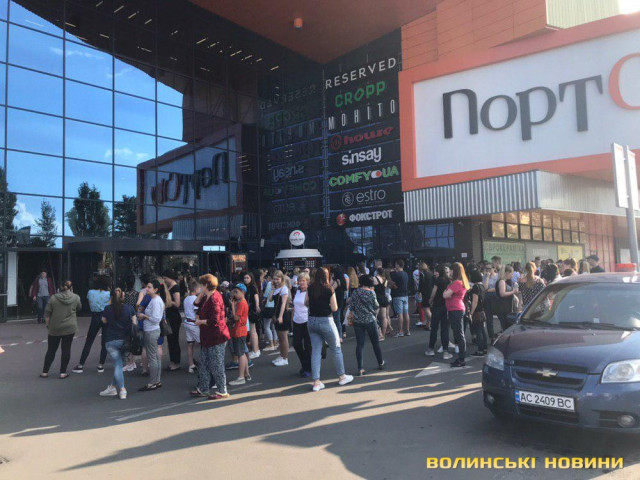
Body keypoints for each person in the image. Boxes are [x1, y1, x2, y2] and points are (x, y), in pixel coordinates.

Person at [306, 268, 353, 392]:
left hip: (312, 321)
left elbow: (306, 302)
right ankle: (342, 376)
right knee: (336, 348)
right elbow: (334, 308)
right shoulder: (329, 289)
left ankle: (316, 382)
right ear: (326, 276)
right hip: (326, 321)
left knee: (316, 351)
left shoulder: (310, 288)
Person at [191, 274, 230, 400]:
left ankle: (222, 391)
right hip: (208, 337)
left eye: (202, 285)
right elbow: (196, 303)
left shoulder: (215, 299)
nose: (200, 287)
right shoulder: (208, 296)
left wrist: (200, 321)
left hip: (216, 336)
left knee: (216, 364)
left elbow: (215, 321)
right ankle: (204, 389)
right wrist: (202, 293)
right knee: (204, 364)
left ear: (206, 285)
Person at [99, 289, 136, 399]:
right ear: (123, 297)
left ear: (111, 297)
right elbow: (134, 323)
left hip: (111, 340)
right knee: (119, 365)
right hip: (125, 341)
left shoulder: (107, 309)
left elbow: (104, 320)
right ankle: (113, 387)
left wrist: (110, 303)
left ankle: (122, 389)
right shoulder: (129, 308)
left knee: (118, 365)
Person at [41, 280, 80, 379]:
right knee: (66, 349)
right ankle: (63, 372)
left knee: (51, 350)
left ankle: (45, 372)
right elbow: (79, 308)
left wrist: (48, 325)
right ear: (71, 288)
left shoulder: (53, 298)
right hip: (70, 327)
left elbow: (47, 314)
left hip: (55, 327)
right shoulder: (76, 297)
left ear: (60, 288)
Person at [72, 276, 111, 374]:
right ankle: (100, 365)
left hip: (95, 316)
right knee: (104, 342)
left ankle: (81, 364)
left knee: (89, 341)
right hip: (106, 317)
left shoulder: (90, 292)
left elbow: (89, 302)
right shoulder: (108, 294)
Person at [348, 275, 385, 376]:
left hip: (358, 321)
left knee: (360, 345)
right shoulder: (371, 293)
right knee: (375, 343)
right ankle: (380, 362)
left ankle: (360, 368)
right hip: (370, 320)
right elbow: (376, 306)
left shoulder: (355, 292)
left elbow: (351, 306)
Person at [137, 280, 165, 391]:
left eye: (149, 287)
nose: (147, 289)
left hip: (151, 331)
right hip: (152, 330)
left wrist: (144, 316)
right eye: (147, 286)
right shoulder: (155, 300)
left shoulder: (155, 301)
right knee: (155, 356)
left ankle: (153, 382)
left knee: (152, 357)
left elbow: (156, 319)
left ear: (156, 289)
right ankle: (156, 381)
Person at [443, 263, 469, 367]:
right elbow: (446, 294)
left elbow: (445, 294)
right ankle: (461, 358)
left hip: (456, 309)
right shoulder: (459, 282)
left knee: (459, 334)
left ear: (454, 271)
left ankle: (461, 359)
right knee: (459, 334)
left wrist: (446, 292)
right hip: (456, 309)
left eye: (451, 270)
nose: (450, 272)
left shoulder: (457, 283)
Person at [426, 265, 451, 359]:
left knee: (434, 328)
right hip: (446, 306)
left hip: (437, 306)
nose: (435, 273)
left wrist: (430, 301)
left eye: (436, 271)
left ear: (439, 272)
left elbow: (433, 293)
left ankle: (431, 349)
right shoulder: (448, 280)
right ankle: (446, 352)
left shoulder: (437, 281)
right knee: (445, 329)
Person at [229, 283, 251, 385]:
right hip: (241, 330)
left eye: (236, 292)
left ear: (242, 292)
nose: (235, 294)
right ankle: (246, 374)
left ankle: (241, 377)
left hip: (239, 331)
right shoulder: (242, 302)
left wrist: (233, 306)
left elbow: (236, 318)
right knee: (242, 353)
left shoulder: (241, 303)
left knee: (240, 354)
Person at [292, 272, 312, 377]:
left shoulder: (310, 292)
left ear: (307, 281)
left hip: (306, 321)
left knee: (308, 346)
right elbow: (295, 306)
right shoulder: (297, 291)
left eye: (303, 280)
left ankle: (307, 368)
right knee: (296, 344)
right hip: (296, 321)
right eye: (300, 280)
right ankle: (305, 365)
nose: (301, 282)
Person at [269, 270, 291, 367]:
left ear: (282, 279)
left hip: (282, 314)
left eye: (277, 279)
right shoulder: (276, 288)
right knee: (280, 338)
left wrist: (281, 316)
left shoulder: (284, 289)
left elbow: (283, 303)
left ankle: (285, 358)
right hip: (276, 313)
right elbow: (270, 299)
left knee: (283, 338)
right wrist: (272, 289)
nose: (276, 281)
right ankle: (282, 355)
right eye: (274, 279)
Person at [162, 270, 182, 371]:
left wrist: (169, 301)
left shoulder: (175, 287)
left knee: (174, 339)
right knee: (170, 340)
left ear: (170, 277)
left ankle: (176, 362)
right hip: (169, 316)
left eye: (165, 278)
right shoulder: (168, 287)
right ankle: (172, 361)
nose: (164, 280)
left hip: (174, 316)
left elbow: (177, 303)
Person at [467, 270, 488, 357]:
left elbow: (475, 301)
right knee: (482, 330)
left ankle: (480, 350)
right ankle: (484, 348)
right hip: (482, 310)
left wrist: (471, 313)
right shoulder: (482, 286)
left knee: (478, 331)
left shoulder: (475, 287)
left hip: (477, 311)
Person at [390, 259, 410, 337]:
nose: (395, 266)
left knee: (400, 314)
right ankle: (407, 330)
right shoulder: (406, 274)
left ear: (398, 265)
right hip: (405, 295)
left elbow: (391, 279)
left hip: (398, 295)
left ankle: (400, 331)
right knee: (406, 313)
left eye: (396, 264)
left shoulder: (395, 274)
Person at [243, 272, 262, 359]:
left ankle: (255, 350)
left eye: (247, 278)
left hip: (252, 311)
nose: (246, 279)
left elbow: (256, 296)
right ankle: (255, 350)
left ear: (251, 278)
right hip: (250, 310)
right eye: (245, 278)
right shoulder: (248, 287)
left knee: (252, 330)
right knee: (252, 331)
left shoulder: (252, 287)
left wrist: (257, 306)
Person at [183, 282, 200, 373]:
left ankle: (191, 365)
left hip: (187, 322)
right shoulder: (195, 299)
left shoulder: (186, 299)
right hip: (194, 324)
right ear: (196, 289)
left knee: (190, 344)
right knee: (203, 343)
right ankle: (205, 363)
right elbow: (197, 312)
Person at [495, 265, 518, 331]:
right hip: (503, 308)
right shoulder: (502, 281)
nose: (512, 276)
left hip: (506, 307)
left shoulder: (505, 281)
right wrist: (513, 292)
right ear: (507, 273)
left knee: (508, 327)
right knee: (507, 328)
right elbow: (502, 294)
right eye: (511, 274)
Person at [373, 268, 391, 340]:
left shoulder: (374, 278)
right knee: (384, 317)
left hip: (376, 299)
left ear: (377, 272)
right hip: (383, 298)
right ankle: (383, 334)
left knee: (374, 317)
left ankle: (379, 333)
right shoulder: (385, 280)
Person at [482, 264, 499, 341]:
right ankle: (492, 336)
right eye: (486, 268)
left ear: (494, 268)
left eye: (489, 268)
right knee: (489, 318)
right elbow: (484, 287)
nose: (487, 270)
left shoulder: (498, 276)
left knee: (501, 316)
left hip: (496, 297)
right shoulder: (485, 276)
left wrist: (488, 290)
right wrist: (488, 277)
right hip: (487, 298)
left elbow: (498, 288)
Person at [262, 269, 277, 352]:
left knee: (267, 326)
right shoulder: (280, 285)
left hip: (269, 306)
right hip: (276, 307)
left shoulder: (270, 284)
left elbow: (266, 294)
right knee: (274, 326)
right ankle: (275, 342)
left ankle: (271, 344)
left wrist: (263, 300)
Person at [330, 266, 347, 339]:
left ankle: (339, 336)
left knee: (336, 319)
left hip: (336, 301)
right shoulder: (342, 280)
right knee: (338, 318)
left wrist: (331, 279)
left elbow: (331, 289)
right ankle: (340, 335)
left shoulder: (337, 281)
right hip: (340, 300)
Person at [418, 262, 433, 330]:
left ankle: (432, 323)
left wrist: (419, 292)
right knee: (429, 309)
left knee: (426, 308)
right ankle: (428, 325)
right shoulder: (430, 273)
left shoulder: (422, 274)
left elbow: (420, 285)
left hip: (425, 293)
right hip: (431, 293)